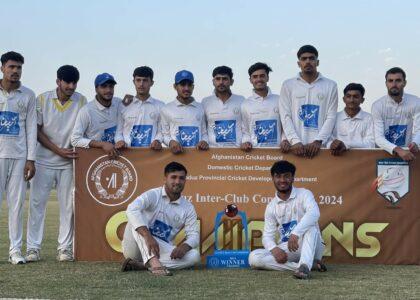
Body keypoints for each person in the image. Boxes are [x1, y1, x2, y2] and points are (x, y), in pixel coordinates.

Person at [26, 65, 87, 262]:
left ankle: (64, 249)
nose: (71, 86)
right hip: (44, 161)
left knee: (68, 207)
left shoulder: (82, 100)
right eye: (67, 82)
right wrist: (57, 150)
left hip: (70, 163)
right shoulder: (42, 99)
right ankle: (33, 248)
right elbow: (36, 130)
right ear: (58, 81)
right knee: (37, 205)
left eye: (74, 82)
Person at [248, 160, 326, 279]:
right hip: (290, 248)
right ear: (273, 179)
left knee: (311, 228)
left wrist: (295, 234)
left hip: (312, 245)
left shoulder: (304, 194)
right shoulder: (271, 207)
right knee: (254, 258)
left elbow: (314, 213)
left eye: (286, 176)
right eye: (278, 176)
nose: (282, 180)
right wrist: (274, 249)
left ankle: (305, 265)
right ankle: (301, 267)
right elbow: (267, 236)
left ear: (293, 178)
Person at [121, 161, 200, 276]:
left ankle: (142, 265)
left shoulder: (188, 207)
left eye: (181, 178)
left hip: (159, 249)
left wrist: (184, 247)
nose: (177, 182)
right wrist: (147, 236)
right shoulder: (153, 194)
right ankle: (154, 264)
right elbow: (131, 209)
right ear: (165, 179)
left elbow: (194, 236)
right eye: (173, 177)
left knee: (194, 256)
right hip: (135, 247)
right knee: (137, 216)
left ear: (185, 181)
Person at [0, 51, 37, 264]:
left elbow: (31, 128)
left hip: (19, 156)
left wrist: (31, 159)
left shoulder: (28, 95)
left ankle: (15, 251)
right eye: (11, 67)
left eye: (19, 67)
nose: (15, 71)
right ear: (2, 67)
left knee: (16, 205)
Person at [279, 45, 338, 158]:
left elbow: (331, 116)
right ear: (298, 63)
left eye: (311, 58)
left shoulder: (331, 85)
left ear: (317, 62)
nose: (308, 61)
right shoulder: (288, 85)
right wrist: (294, 141)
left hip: (320, 148)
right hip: (295, 147)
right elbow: (285, 116)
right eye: (304, 59)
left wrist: (318, 140)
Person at [371, 67, 420, 161]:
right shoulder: (377, 105)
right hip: (385, 154)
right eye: (390, 81)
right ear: (386, 83)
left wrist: (415, 142)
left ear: (404, 83)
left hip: (409, 154)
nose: (394, 84)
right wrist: (398, 150)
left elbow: (419, 129)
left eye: (398, 80)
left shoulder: (416, 102)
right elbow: (378, 137)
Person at [71, 73, 121, 157]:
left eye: (111, 86)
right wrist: (102, 144)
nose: (108, 90)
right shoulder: (86, 111)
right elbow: (75, 139)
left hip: (119, 157)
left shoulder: (119, 103)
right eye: (104, 86)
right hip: (96, 160)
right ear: (96, 89)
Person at [115, 66, 164, 150]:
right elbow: (118, 132)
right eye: (138, 80)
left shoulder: (160, 106)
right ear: (133, 82)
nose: (141, 84)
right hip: (128, 155)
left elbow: (162, 131)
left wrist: (158, 140)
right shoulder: (123, 105)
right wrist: (119, 141)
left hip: (152, 155)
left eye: (145, 80)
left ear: (151, 83)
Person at [160, 70, 209, 154]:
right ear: (175, 86)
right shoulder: (166, 108)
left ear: (193, 87)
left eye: (189, 85)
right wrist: (171, 142)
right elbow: (164, 134)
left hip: (198, 156)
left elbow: (204, 132)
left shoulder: (201, 107)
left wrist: (204, 141)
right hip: (176, 156)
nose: (186, 88)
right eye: (182, 85)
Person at [240, 62, 282, 151]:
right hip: (256, 155)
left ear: (267, 78)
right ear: (250, 80)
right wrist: (246, 141)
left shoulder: (280, 100)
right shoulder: (245, 104)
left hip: (279, 152)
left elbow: (286, 125)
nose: (259, 79)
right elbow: (245, 130)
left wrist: (285, 140)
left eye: (262, 76)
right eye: (255, 77)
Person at [202, 66, 245, 147]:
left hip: (237, 154)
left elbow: (246, 128)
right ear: (213, 81)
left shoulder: (241, 100)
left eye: (225, 79)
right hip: (213, 154)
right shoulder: (205, 102)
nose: (221, 82)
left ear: (231, 81)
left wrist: (246, 141)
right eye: (218, 79)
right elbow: (203, 130)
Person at [328, 83, 375, 155]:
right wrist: (331, 144)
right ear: (344, 99)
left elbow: (371, 144)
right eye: (348, 96)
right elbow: (327, 140)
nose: (351, 100)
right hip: (336, 160)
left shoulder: (370, 118)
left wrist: (345, 145)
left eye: (356, 97)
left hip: (362, 161)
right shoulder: (334, 117)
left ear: (362, 100)